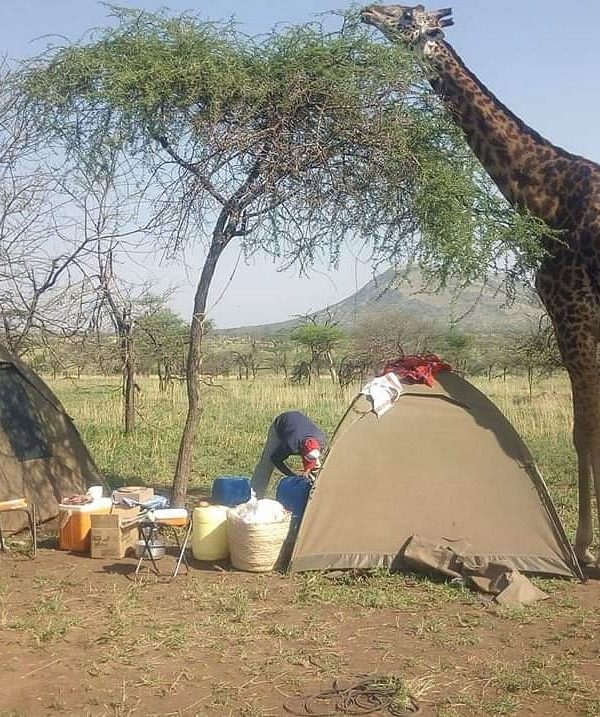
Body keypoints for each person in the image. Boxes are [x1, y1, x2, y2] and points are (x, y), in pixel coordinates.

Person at [251, 410, 327, 498]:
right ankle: (254, 495)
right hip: (281, 426)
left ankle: (315, 494)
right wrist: (292, 476)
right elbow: (275, 459)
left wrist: (307, 471)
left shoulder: (321, 441)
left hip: (298, 427)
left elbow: (311, 460)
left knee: (316, 466)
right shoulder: (290, 444)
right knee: (266, 464)